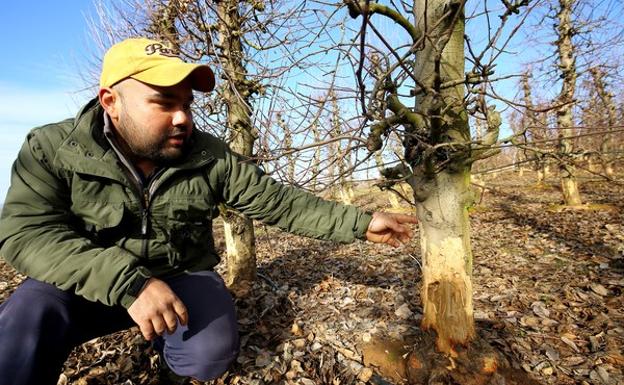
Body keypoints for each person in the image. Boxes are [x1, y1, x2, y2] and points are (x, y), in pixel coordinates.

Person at [0, 37, 417, 385]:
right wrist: (130, 285)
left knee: (210, 352)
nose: (183, 117)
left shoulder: (207, 154)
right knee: (23, 323)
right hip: (87, 279)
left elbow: (276, 200)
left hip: (178, 274)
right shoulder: (53, 148)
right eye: (164, 102)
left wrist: (361, 222)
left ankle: (171, 367)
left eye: (187, 103)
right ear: (111, 101)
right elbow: (25, 234)